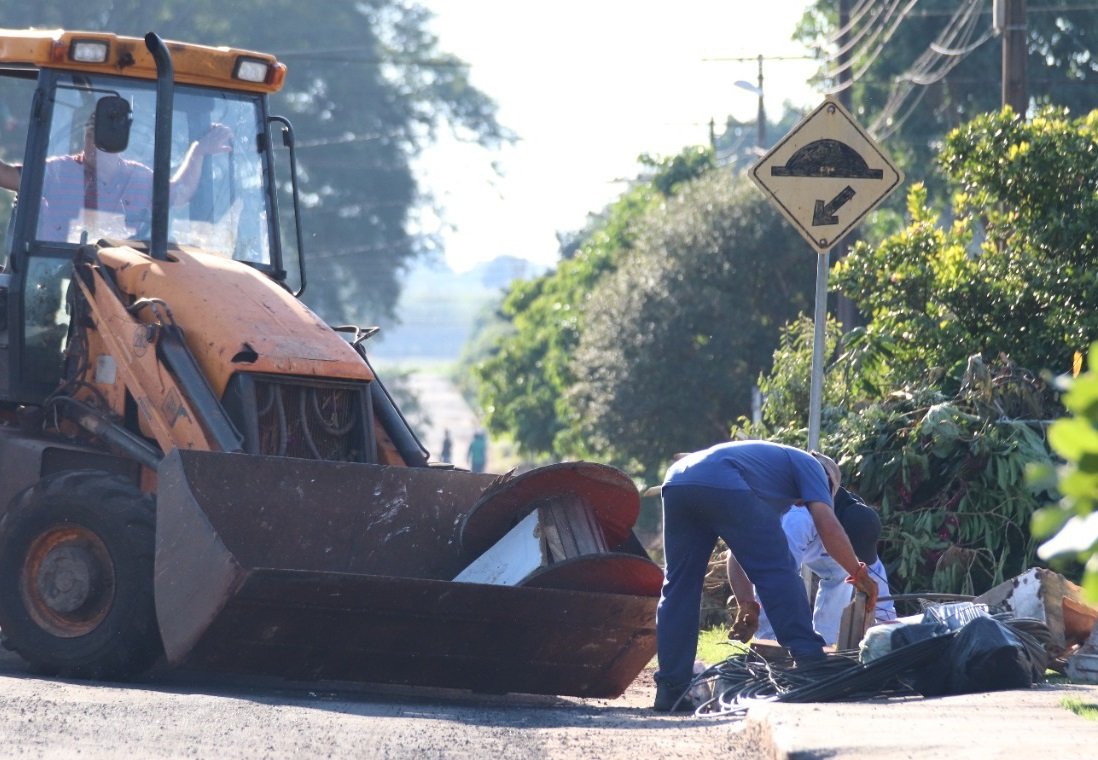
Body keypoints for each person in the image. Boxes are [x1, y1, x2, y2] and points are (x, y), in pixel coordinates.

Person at [653, 440, 878, 712]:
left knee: (679, 586)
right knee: (779, 569)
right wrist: (858, 572)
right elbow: (827, 524)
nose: (802, 505)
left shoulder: (767, 480)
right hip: (720, 480)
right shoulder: (814, 468)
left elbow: (739, 552)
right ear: (829, 483)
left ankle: (671, 689)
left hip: (678, 481)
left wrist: (746, 603)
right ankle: (811, 662)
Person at [0, 116, 231, 241]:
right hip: (54, 275)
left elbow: (179, 193)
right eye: (89, 136)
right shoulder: (58, 172)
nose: (92, 145)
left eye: (100, 137)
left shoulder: (139, 179)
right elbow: (7, 175)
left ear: (118, 141)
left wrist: (198, 152)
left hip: (115, 281)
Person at [728, 486, 898, 647]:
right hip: (781, 546)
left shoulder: (857, 518)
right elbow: (777, 578)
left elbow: (875, 577)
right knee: (779, 584)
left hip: (820, 544)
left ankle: (826, 644)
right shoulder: (798, 520)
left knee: (844, 575)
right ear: (839, 533)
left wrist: (891, 629)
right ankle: (770, 641)